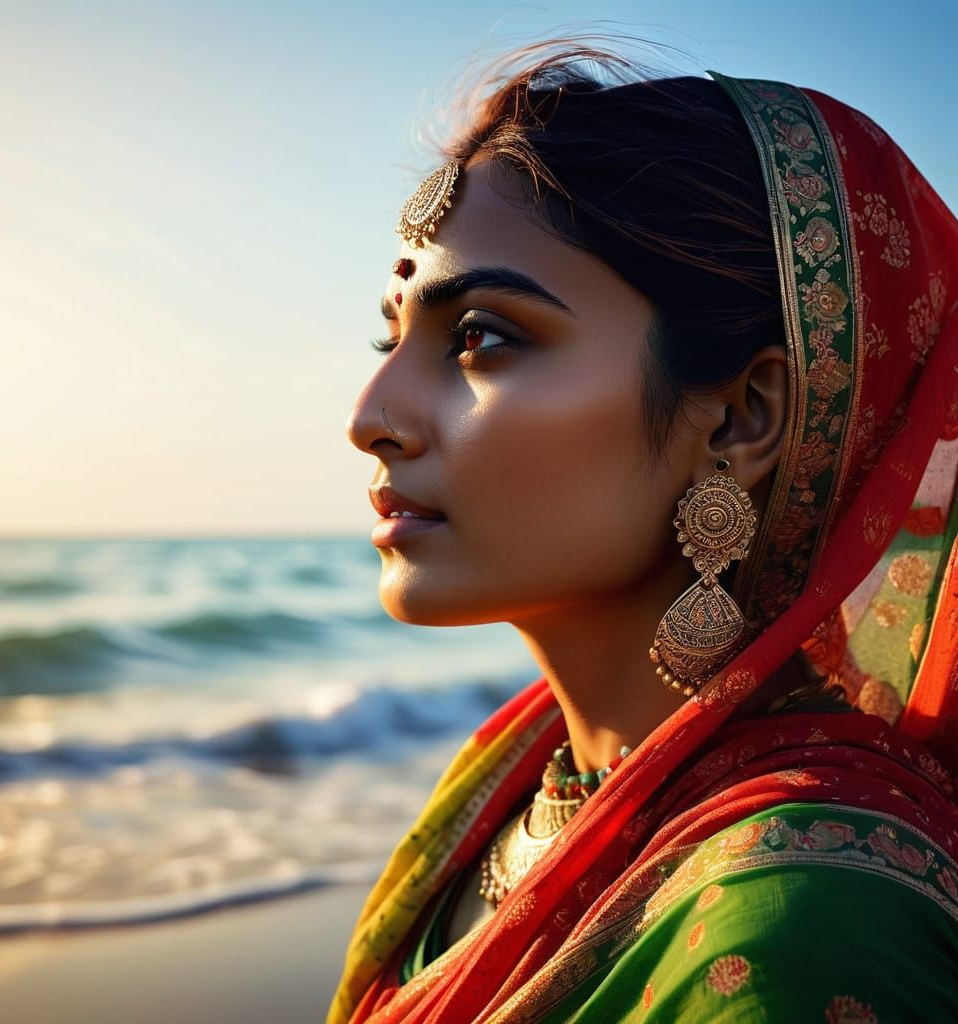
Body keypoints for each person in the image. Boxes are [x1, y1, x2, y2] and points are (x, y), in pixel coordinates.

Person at [331, 40, 958, 1024]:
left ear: (743, 416)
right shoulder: (512, 781)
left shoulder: (802, 926)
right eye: (391, 335)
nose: (373, 414)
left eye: (480, 338)